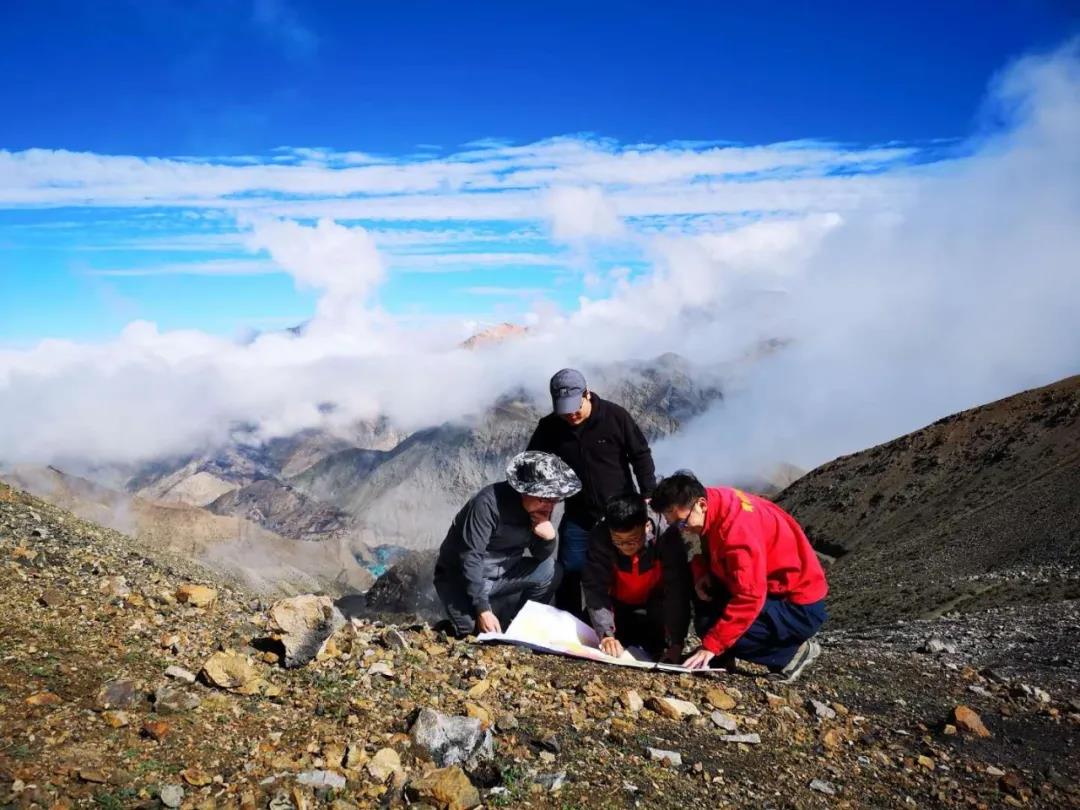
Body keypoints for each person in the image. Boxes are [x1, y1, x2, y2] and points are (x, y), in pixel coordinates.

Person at [650, 473, 828, 681]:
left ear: (701, 505)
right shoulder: (715, 501)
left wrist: (712, 645)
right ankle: (723, 655)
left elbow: (750, 597)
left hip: (796, 605)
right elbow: (715, 555)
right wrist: (701, 571)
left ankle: (792, 654)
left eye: (682, 523)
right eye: (674, 525)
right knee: (704, 600)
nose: (683, 530)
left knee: (711, 627)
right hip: (774, 589)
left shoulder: (737, 533)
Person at [527, 368, 656, 616]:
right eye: (564, 410)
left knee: (624, 569)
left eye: (575, 407)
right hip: (579, 514)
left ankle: (624, 624)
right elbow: (534, 464)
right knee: (569, 571)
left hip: (620, 514)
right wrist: (541, 505)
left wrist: (648, 494)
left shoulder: (615, 416)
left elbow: (640, 454)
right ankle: (571, 624)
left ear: (587, 394)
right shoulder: (550, 427)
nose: (571, 415)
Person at [433, 451, 581, 637]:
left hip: (502, 575)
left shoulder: (538, 508)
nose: (550, 506)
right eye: (544, 499)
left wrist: (548, 539)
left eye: (555, 500)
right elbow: (471, 557)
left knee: (551, 570)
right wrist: (482, 609)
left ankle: (521, 626)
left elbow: (539, 555)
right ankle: (452, 625)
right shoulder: (487, 504)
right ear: (523, 491)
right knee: (476, 635)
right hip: (460, 578)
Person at [582, 494, 690, 662]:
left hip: (656, 604)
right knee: (592, 626)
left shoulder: (666, 534)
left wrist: (676, 643)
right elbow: (595, 587)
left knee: (656, 640)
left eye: (632, 540)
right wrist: (606, 635)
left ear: (647, 526)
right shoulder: (600, 536)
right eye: (618, 541)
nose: (625, 547)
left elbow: (676, 589)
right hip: (617, 603)